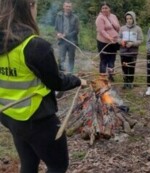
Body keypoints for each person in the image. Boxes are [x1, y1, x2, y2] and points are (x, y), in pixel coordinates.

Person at [0, 0, 87, 172]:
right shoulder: (35, 46)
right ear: (29, 7)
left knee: (29, 164)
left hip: (9, 115)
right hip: (37, 119)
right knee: (57, 166)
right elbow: (57, 82)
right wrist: (77, 81)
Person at [95, 1, 120, 82]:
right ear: (101, 9)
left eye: (106, 8)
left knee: (112, 59)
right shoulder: (100, 18)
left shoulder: (113, 16)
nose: (105, 9)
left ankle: (110, 75)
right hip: (103, 42)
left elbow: (118, 27)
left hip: (114, 42)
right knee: (104, 60)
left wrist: (117, 37)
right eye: (103, 8)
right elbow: (101, 31)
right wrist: (109, 37)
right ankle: (102, 77)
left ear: (110, 8)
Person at [118, 11, 143, 89]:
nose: (129, 20)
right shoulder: (122, 28)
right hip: (123, 52)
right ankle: (125, 82)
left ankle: (131, 82)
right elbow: (118, 38)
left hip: (133, 52)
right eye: (127, 19)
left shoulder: (138, 29)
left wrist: (132, 44)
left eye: (130, 18)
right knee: (124, 68)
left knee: (131, 68)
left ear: (134, 19)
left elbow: (140, 40)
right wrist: (122, 42)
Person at [55, 0, 80, 73]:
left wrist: (65, 35)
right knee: (61, 58)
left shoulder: (75, 17)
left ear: (71, 7)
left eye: (69, 6)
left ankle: (70, 73)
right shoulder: (58, 16)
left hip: (72, 41)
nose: (68, 8)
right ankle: (60, 74)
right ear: (63, 7)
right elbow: (56, 28)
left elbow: (76, 31)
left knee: (71, 58)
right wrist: (58, 34)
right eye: (66, 6)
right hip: (62, 41)